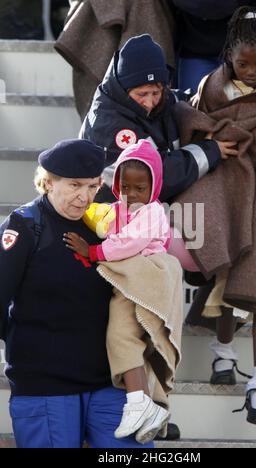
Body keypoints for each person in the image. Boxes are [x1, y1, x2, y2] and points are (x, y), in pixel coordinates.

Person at [174, 6, 256, 427]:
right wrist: (214, 142)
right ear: (227, 55)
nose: (250, 71)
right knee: (228, 281)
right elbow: (192, 127)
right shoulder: (208, 92)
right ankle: (223, 355)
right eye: (242, 63)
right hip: (226, 193)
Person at [0, 139, 154, 448]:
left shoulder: (107, 225)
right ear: (48, 181)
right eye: (74, 185)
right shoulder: (26, 226)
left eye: (93, 186)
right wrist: (29, 346)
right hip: (46, 386)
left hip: (110, 382)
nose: (84, 197)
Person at [63, 139, 183, 444]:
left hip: (146, 276)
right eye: (125, 187)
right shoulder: (118, 209)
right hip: (128, 279)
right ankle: (141, 403)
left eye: (140, 188)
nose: (132, 195)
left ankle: (141, 402)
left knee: (121, 334)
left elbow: (128, 243)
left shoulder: (153, 211)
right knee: (126, 337)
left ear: (153, 188)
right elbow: (97, 217)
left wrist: (93, 252)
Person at [80, 33, 238, 205]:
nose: (149, 102)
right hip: (113, 215)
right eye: (142, 94)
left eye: (156, 93)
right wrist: (209, 151)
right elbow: (150, 176)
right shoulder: (109, 125)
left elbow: (181, 100)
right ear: (123, 89)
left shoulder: (163, 99)